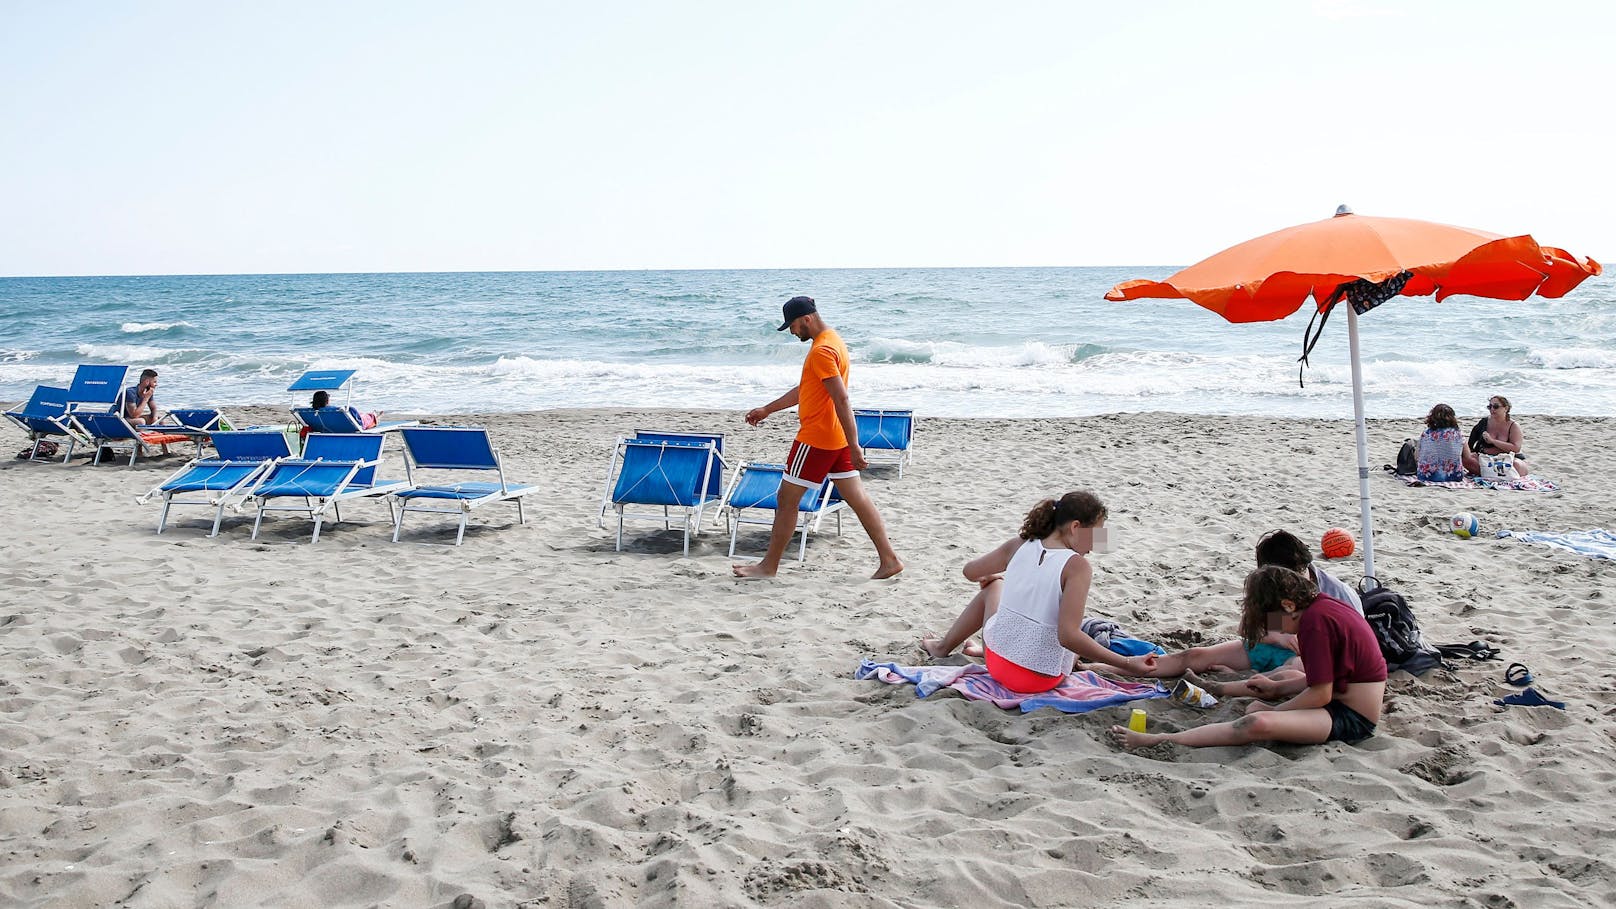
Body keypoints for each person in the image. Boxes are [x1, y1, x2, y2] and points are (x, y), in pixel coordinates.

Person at [1111, 565, 1386, 750]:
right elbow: (1327, 680)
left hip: (1351, 717)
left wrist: (1274, 710)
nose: (1276, 630)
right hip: (1340, 698)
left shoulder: (1315, 623)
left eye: (1274, 622)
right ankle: (1221, 688)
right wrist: (1278, 689)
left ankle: (1160, 739)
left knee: (1257, 723)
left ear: (1288, 606)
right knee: (1282, 678)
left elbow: (1321, 694)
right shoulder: (1320, 606)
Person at [733, 296, 903, 580]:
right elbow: (807, 389)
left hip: (816, 440)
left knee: (786, 500)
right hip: (834, 437)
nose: (792, 331)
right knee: (858, 498)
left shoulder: (822, 350)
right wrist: (767, 409)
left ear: (807, 319)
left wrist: (856, 445)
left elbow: (841, 398)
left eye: (793, 325)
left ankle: (768, 567)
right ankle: (889, 559)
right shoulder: (833, 340)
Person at [919, 492, 1154, 689]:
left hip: (998, 665)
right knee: (1070, 629)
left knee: (995, 587)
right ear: (1075, 528)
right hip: (1039, 679)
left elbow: (969, 572)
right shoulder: (1078, 566)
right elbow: (1068, 636)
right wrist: (1127, 663)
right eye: (1096, 534)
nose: (1097, 544)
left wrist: (991, 575)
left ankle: (942, 648)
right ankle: (962, 648)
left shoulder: (1019, 545)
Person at [1117, 530, 1360, 701]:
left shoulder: (1338, 595)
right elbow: (1247, 628)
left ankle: (1235, 682)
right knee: (1194, 655)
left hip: (1309, 659)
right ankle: (1107, 665)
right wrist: (1276, 635)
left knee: (1288, 671)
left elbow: (1350, 652)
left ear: (1303, 569)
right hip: (1267, 647)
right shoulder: (1269, 585)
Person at [1464, 394, 1529, 477]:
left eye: (1495, 406)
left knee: (1517, 465)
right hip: (1486, 459)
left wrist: (1493, 441)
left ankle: (1493, 474)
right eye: (1489, 407)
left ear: (1506, 408)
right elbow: (1470, 444)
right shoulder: (1484, 422)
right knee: (1466, 459)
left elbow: (1516, 448)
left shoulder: (1513, 426)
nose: (1492, 409)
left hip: (1508, 459)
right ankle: (1493, 474)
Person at [1415, 403, 1466, 482]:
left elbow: (1417, 455)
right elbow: (1466, 455)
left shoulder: (1426, 433)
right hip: (1454, 476)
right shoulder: (1458, 433)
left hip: (1426, 476)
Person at [310, 390, 378, 430]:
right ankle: (374, 416)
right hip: (346, 427)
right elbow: (360, 424)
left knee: (361, 415)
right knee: (364, 416)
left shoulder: (311, 412)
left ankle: (373, 415)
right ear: (327, 400)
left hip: (330, 427)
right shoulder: (338, 410)